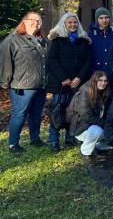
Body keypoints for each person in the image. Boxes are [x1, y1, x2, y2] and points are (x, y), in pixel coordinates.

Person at [0, 12, 48, 153]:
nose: (37, 24)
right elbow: (5, 62)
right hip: (21, 86)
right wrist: (5, 82)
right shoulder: (13, 40)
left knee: (36, 113)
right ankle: (13, 144)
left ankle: (35, 139)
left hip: (40, 85)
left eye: (39, 22)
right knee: (19, 114)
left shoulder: (41, 40)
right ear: (25, 21)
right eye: (34, 20)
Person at [46, 12, 93, 151]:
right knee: (57, 110)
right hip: (60, 84)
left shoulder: (83, 41)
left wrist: (79, 78)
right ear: (64, 24)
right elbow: (51, 60)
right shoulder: (57, 40)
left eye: (75, 22)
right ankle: (53, 139)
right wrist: (64, 78)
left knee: (73, 111)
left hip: (78, 82)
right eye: (69, 22)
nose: (72, 25)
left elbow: (87, 61)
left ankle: (70, 137)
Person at [66, 71, 112, 160]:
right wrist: (106, 125)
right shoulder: (84, 92)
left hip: (96, 124)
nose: (103, 83)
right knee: (97, 130)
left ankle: (100, 146)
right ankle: (86, 151)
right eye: (100, 80)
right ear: (94, 81)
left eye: (105, 81)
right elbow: (86, 116)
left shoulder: (104, 92)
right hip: (81, 127)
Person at [87, 7, 113, 81]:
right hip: (94, 76)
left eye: (106, 17)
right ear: (97, 19)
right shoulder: (89, 37)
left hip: (111, 76)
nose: (104, 20)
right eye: (101, 18)